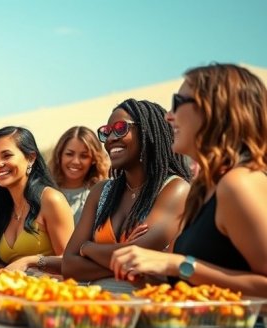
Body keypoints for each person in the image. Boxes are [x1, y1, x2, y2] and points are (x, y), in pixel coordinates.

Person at [110, 64, 267, 298]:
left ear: (214, 110)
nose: (168, 116)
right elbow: (200, 279)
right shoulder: (204, 188)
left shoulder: (240, 183)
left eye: (178, 102)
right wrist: (152, 274)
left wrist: (178, 265)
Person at [61, 98, 190, 292]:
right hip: (95, 306)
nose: (111, 138)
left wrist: (87, 248)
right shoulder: (101, 191)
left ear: (148, 132)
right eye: (106, 131)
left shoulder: (175, 189)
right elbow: (69, 266)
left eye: (121, 128)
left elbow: (136, 256)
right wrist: (120, 256)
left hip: (144, 308)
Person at [0, 126, 74, 274]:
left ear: (31, 158)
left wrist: (30, 261)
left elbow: (71, 262)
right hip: (15, 295)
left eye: (7, 156)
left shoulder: (51, 199)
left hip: (50, 294)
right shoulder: (3, 206)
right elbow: (11, 274)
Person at [48, 126, 109, 224]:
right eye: (69, 154)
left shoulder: (102, 195)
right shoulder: (44, 192)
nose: (76, 161)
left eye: (84, 156)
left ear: (94, 159)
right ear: (59, 155)